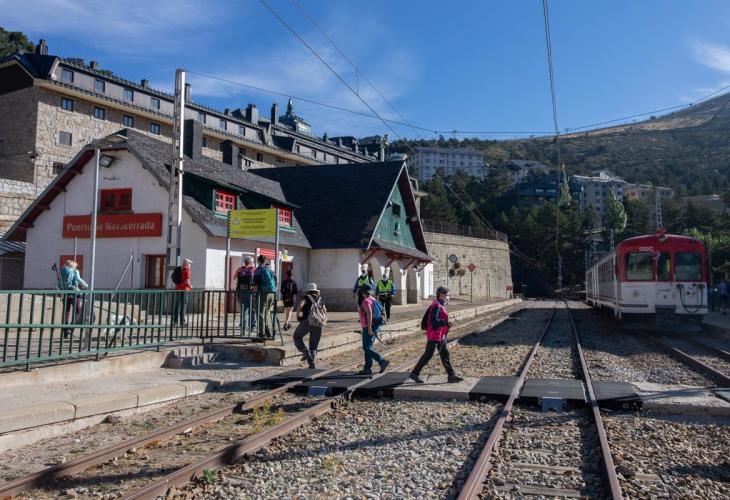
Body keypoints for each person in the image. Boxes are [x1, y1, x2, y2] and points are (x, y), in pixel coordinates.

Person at [409, 286, 463, 384]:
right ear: (441, 295)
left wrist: (446, 324)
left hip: (440, 335)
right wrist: (445, 323)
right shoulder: (437, 306)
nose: (448, 297)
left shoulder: (439, 305)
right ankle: (415, 373)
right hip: (434, 334)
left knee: (444, 354)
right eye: (447, 295)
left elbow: (438, 320)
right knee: (428, 354)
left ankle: (451, 375)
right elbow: (434, 321)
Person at [356, 285, 390, 376]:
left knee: (367, 348)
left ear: (363, 293)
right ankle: (367, 368)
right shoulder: (373, 299)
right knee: (369, 347)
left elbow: (369, 313)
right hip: (375, 325)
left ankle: (382, 361)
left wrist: (369, 328)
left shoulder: (366, 301)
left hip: (369, 326)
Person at [292, 283, 326, 368]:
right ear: (315, 290)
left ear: (307, 291)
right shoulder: (320, 298)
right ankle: (312, 363)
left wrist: (297, 315)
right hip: (318, 323)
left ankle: (304, 351)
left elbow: (300, 306)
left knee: (297, 336)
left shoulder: (306, 297)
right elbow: (325, 310)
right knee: (314, 345)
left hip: (307, 321)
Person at [58, 260, 88, 338]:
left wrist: (61, 292)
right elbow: (79, 279)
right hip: (75, 293)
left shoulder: (62, 272)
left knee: (66, 312)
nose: (76, 267)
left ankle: (65, 332)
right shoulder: (75, 271)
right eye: (75, 266)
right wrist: (87, 285)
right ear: (73, 266)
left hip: (65, 294)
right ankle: (71, 329)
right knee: (78, 311)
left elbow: (58, 283)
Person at [253, 254, 277, 337]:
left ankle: (261, 333)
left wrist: (255, 295)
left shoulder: (258, 270)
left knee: (260, 313)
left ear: (258, 261)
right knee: (266, 313)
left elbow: (255, 283)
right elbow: (275, 280)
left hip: (263, 293)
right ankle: (267, 331)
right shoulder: (270, 269)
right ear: (265, 261)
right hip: (272, 293)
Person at [235, 256, 256, 331]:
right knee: (253, 309)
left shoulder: (240, 269)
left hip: (241, 291)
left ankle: (243, 326)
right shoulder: (253, 269)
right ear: (250, 262)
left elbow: (234, 277)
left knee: (244, 309)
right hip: (251, 291)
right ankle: (252, 326)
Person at [172, 258, 192, 327]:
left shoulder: (179, 269)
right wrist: (191, 287)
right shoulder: (187, 270)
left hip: (178, 289)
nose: (190, 265)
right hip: (184, 290)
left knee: (178, 304)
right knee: (184, 305)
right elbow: (187, 282)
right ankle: (182, 322)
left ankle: (175, 322)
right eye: (189, 263)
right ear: (187, 264)